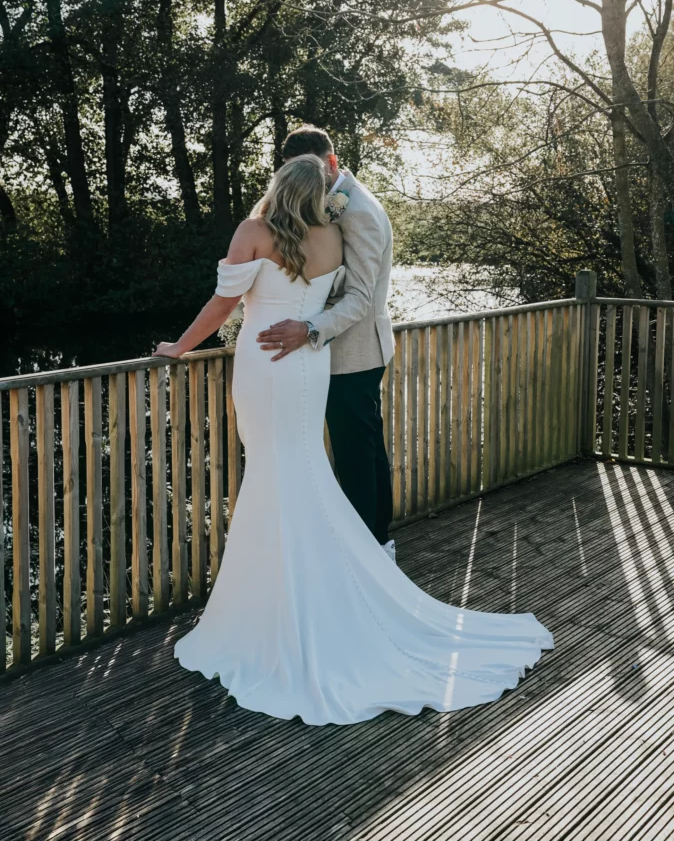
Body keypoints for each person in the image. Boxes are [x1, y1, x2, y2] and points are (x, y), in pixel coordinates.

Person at [154, 152, 553, 726]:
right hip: (309, 363)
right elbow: (348, 296)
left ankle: (276, 606)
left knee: (273, 470)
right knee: (301, 468)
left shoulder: (253, 232)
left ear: (277, 187)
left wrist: (179, 347)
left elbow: (222, 305)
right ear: (318, 192)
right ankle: (308, 589)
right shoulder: (331, 237)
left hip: (266, 365)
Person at [256, 126, 395, 560]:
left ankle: (366, 552)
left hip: (355, 352)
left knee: (356, 454)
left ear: (331, 162)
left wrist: (308, 328)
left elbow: (361, 298)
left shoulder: (359, 210)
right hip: (347, 350)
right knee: (365, 449)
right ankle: (378, 544)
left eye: (312, 168)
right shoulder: (335, 200)